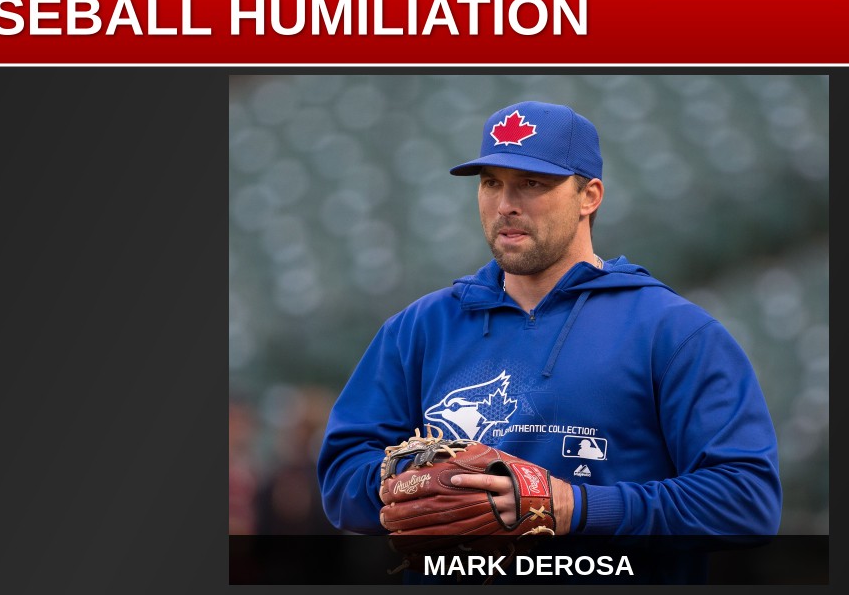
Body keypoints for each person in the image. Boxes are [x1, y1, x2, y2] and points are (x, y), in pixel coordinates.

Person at [315, 101, 782, 580]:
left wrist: (575, 507)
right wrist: (410, 482)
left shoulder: (674, 333)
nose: (505, 204)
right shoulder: (419, 328)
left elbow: (747, 501)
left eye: (532, 183)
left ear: (589, 196)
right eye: (491, 183)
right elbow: (341, 478)